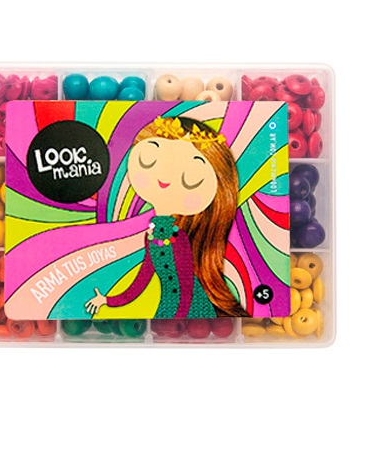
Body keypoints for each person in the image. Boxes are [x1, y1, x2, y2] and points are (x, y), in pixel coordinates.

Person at [85, 116, 247, 318]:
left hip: (188, 309)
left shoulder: (178, 238)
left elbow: (186, 284)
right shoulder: (152, 236)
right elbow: (142, 280)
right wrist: (107, 300)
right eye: (150, 158)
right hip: (171, 308)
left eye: (192, 177)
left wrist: (179, 318)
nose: (166, 177)